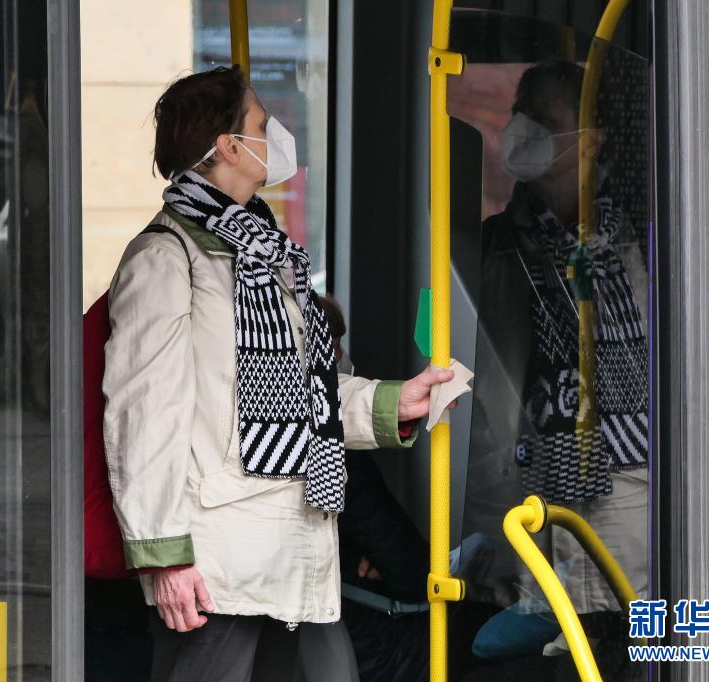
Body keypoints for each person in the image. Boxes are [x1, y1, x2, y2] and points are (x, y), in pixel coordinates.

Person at [103, 65, 456, 682]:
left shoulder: (263, 251)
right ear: (229, 147)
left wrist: (390, 404)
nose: (277, 136)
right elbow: (142, 419)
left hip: (285, 550)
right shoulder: (167, 257)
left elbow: (302, 392)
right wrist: (164, 557)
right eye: (262, 125)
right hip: (216, 565)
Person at [460, 60, 648, 680]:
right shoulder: (495, 244)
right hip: (533, 483)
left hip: (631, 485)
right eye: (521, 112)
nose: (522, 128)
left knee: (629, 646)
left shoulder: (646, 239)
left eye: (543, 118)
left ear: (590, 140)